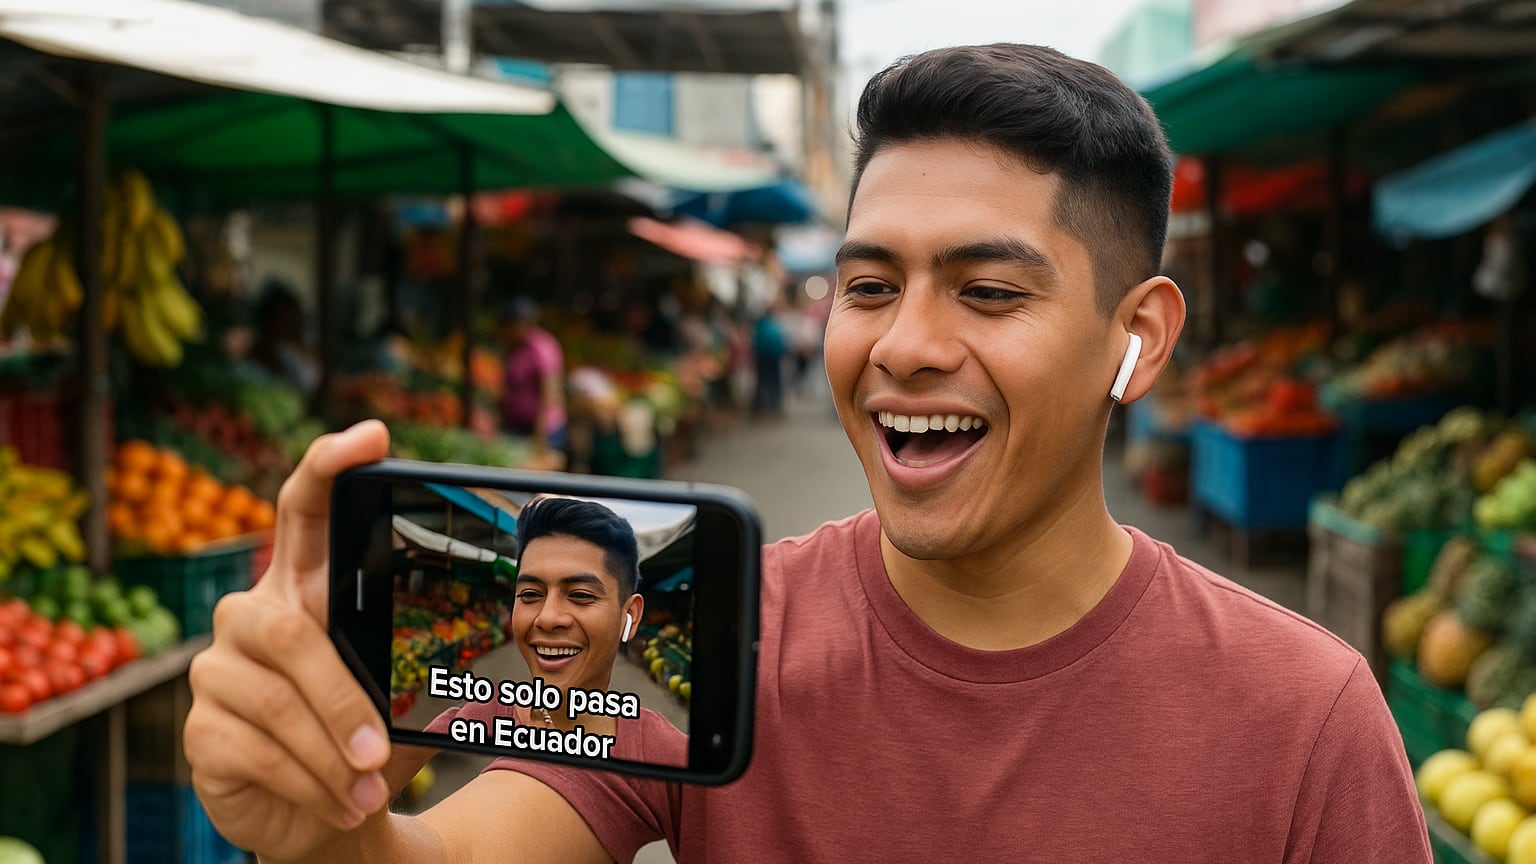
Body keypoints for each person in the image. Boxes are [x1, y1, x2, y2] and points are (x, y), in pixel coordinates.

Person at [183, 44, 1430, 863]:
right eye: (870, 284)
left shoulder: (1304, 722)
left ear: (1138, 338)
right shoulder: (704, 626)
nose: (904, 345)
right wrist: (326, 828)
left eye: (989, 293)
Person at [422, 496, 684, 764]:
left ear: (629, 615)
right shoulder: (480, 718)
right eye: (530, 594)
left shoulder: (673, 757)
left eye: (581, 595)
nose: (546, 618)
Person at [498, 297, 566, 455]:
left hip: (542, 429)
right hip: (516, 426)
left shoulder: (542, 347)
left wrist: (540, 437)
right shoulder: (513, 348)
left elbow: (549, 393)